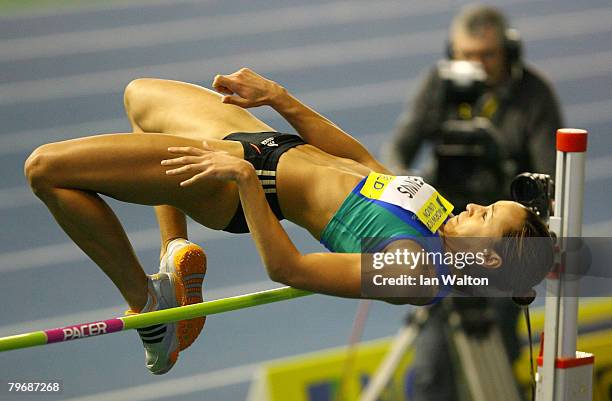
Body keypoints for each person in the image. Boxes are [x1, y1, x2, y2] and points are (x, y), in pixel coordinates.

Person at [24, 67, 551, 376]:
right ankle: (172, 257)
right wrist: (279, 98)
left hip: (242, 181)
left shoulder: (413, 272)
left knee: (45, 170)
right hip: (267, 142)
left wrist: (245, 182)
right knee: (139, 97)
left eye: (488, 217)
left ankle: (150, 310)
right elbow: (361, 163)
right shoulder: (437, 215)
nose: (477, 206)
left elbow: (290, 269)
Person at [389, 5, 563, 400]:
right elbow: (399, 147)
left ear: (509, 52)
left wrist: (502, 186)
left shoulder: (534, 95)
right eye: (466, 55)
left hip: (498, 244)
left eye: (487, 55)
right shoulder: (439, 83)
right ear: (452, 52)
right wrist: (406, 190)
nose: (476, 65)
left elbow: (548, 182)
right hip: (445, 238)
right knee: (432, 369)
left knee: (496, 359)